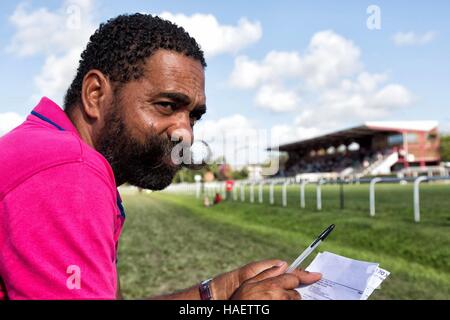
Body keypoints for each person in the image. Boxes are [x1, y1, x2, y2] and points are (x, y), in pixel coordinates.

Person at [0, 14, 321, 300]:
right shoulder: (69, 171)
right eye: (166, 105)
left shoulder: (57, 152)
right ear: (95, 94)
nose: (186, 133)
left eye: (193, 116)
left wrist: (218, 292)